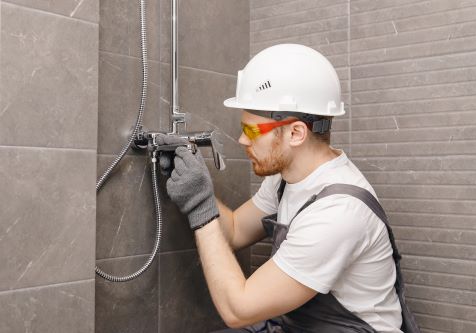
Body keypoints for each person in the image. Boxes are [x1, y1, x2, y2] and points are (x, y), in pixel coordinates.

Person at [161, 44, 416, 333]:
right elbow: (233, 231)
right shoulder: (287, 178)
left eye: (252, 130)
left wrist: (199, 206)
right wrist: (199, 188)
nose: (242, 140)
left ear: (296, 133)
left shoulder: (338, 212)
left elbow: (238, 310)